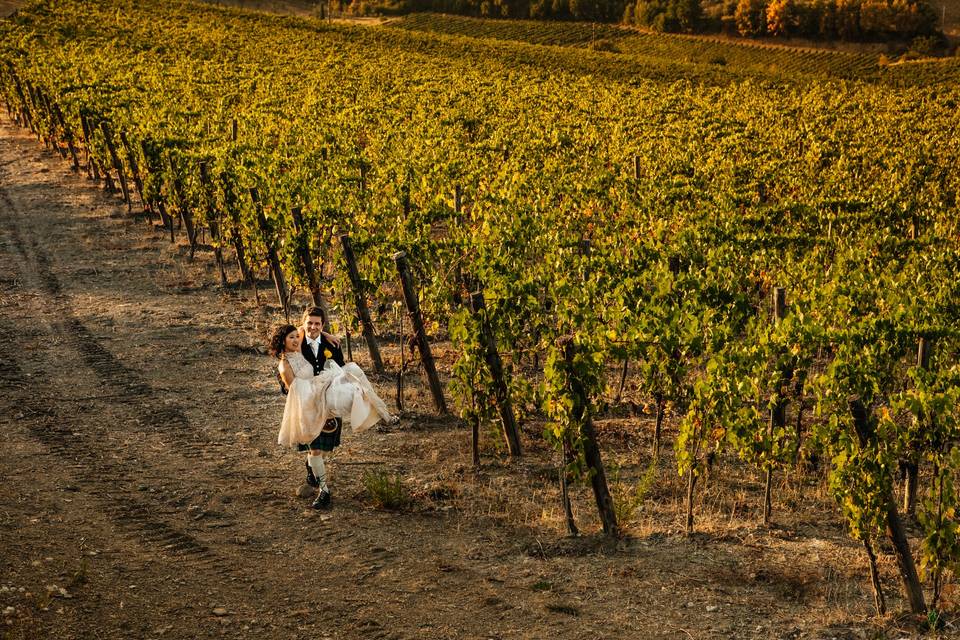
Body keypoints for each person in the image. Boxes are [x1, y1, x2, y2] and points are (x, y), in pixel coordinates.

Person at [269, 314, 395, 510]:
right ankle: (324, 490)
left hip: (323, 404)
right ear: (283, 341)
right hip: (307, 409)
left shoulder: (302, 343)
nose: (296, 339)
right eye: (291, 337)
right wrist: (320, 388)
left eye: (296, 336)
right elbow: (296, 393)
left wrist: (326, 334)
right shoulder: (285, 365)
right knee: (316, 449)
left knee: (324, 450)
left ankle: (312, 467)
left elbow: (309, 330)